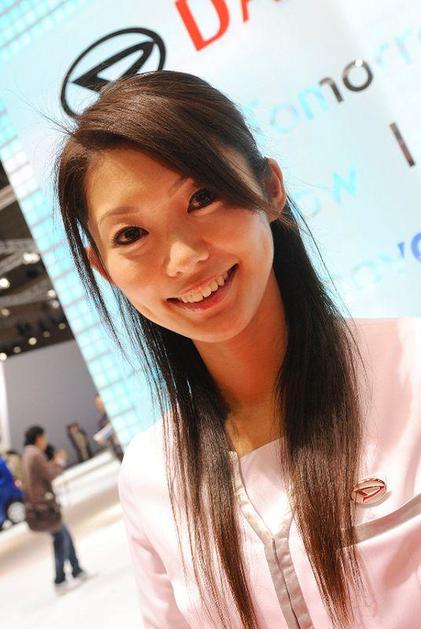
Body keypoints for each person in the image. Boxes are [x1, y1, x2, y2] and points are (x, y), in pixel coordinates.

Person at [56, 72, 421, 628]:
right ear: (104, 267)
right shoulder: (152, 475)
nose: (183, 259)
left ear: (270, 188)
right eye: (131, 234)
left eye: (201, 197)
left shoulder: (411, 368)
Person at [21, 425, 87, 592]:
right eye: (44, 437)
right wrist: (59, 462)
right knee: (60, 538)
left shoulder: (27, 454)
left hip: (40, 505)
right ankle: (60, 577)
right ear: (39, 438)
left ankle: (75, 569)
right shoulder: (36, 454)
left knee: (64, 536)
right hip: (45, 506)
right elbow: (49, 475)